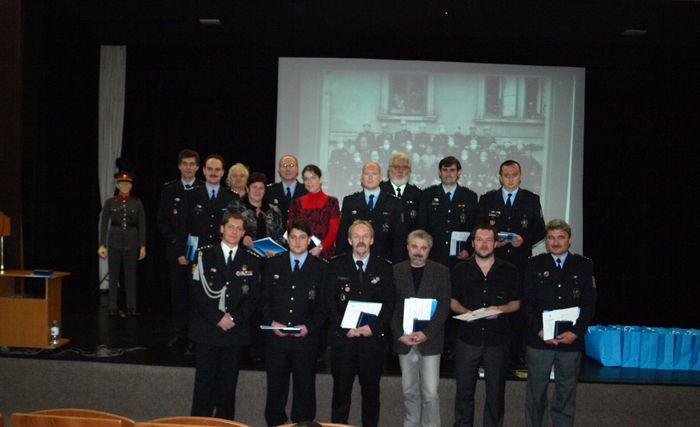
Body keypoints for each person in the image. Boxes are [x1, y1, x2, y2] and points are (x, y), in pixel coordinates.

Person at [522, 219, 597, 427]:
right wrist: (540, 331)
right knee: (536, 392)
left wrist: (576, 332)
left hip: (570, 340)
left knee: (566, 392)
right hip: (539, 340)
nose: (555, 242)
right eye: (551, 238)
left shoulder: (584, 265)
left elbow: (589, 304)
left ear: (569, 240)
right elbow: (526, 303)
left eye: (561, 237)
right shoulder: (534, 264)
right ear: (546, 241)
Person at [189, 211, 262, 420]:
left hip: (235, 333)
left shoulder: (252, 260)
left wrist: (235, 318)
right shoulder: (203, 255)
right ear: (222, 229)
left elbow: (254, 297)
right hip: (208, 330)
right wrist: (217, 318)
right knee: (203, 387)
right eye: (230, 227)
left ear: (244, 233)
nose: (234, 232)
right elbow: (196, 292)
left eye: (239, 229)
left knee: (228, 388)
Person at [450, 224, 520, 427]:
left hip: (497, 340)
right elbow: (452, 301)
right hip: (467, 339)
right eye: (479, 240)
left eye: (488, 240)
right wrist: (466, 312)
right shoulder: (460, 269)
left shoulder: (509, 270)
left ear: (496, 243)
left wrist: (500, 309)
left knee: (496, 393)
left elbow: (516, 303)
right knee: (464, 392)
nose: (483, 244)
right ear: (472, 243)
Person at [261, 219, 329, 426]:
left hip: (306, 340)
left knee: (305, 389)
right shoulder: (273, 264)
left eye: (302, 237)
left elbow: (325, 306)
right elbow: (263, 299)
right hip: (276, 339)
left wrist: (310, 326)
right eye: (293, 237)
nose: (297, 242)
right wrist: (271, 322)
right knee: (275, 389)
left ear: (309, 240)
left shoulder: (321, 268)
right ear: (287, 239)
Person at [477, 159, 545, 366]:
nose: (510, 179)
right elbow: (478, 227)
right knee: (492, 305)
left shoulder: (531, 199)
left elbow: (540, 229)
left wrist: (524, 239)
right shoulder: (488, 199)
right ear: (500, 177)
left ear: (520, 176)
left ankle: (516, 353)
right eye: (506, 175)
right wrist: (491, 241)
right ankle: (487, 352)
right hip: (493, 262)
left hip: (519, 262)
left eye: (514, 175)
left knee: (517, 306)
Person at [327, 220, 395, 427]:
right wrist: (344, 328)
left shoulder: (384, 268)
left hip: (372, 342)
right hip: (344, 341)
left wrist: (373, 328)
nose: (361, 241)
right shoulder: (335, 265)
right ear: (349, 240)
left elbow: (390, 304)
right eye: (356, 236)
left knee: (371, 395)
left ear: (372, 240)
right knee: (341, 394)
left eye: (365, 236)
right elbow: (328, 303)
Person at [390, 230, 451, 427]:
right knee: (409, 390)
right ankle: (411, 424)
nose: (418, 252)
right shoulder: (396, 271)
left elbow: (444, 307)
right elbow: (390, 306)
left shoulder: (441, 271)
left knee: (430, 393)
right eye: (414, 247)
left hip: (430, 341)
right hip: (404, 340)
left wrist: (426, 333)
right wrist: (400, 334)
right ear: (407, 247)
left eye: (423, 248)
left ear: (429, 250)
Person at [157, 149, 201, 348]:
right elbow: (162, 220)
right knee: (179, 296)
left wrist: (190, 251)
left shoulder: (202, 189)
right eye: (185, 164)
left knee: (196, 297)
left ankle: (195, 336)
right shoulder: (169, 189)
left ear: (197, 167)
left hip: (198, 253)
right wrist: (179, 248)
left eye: (192, 164)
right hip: (176, 252)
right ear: (179, 166)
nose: (188, 168)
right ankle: (180, 334)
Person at [98, 171, 146, 317]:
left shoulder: (137, 202)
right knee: (113, 275)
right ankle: (113, 305)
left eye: (128, 183)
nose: (125, 185)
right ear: (117, 185)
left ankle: (131, 306)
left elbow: (142, 224)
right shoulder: (110, 202)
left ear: (131, 186)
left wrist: (142, 245)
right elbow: (104, 224)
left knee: (130, 275)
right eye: (122, 183)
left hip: (132, 241)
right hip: (114, 241)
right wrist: (102, 244)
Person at [336, 161, 405, 262]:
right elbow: (342, 236)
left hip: (385, 260)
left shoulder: (394, 203)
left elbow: (398, 239)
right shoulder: (350, 201)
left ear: (381, 177)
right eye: (366, 174)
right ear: (361, 177)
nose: (370, 177)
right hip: (355, 260)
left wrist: (396, 264)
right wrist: (340, 261)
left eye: (374, 174)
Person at [417, 156, 478, 268]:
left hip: (460, 256)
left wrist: (468, 249)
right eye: (445, 170)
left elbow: (474, 227)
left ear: (459, 172)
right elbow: (421, 225)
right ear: (439, 173)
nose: (448, 174)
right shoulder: (428, 194)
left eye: (452, 170)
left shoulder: (470, 197)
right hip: (433, 254)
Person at [176, 155, 236, 266]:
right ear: (204, 170)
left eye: (217, 170)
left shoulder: (231, 197)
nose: (213, 173)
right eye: (210, 169)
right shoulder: (190, 195)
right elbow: (182, 225)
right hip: (195, 251)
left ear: (223, 172)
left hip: (223, 251)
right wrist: (180, 251)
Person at [287, 164, 340, 259]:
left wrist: (320, 248)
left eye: (313, 177)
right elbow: (290, 229)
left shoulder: (332, 202)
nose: (309, 182)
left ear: (320, 180)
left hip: (325, 253)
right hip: (300, 252)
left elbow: (334, 232)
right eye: (306, 179)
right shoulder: (296, 203)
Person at [227, 172, 285, 255]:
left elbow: (280, 236)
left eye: (261, 188)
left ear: (265, 190)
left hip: (269, 258)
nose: (257, 191)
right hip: (241, 256)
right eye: (254, 187)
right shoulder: (235, 208)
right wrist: (242, 239)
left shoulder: (274, 211)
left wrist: (274, 251)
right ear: (247, 189)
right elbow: (226, 232)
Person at [380, 151, 422, 235]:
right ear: (389, 170)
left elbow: (421, 225)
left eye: (404, 167)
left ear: (410, 171)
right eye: (396, 167)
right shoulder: (380, 191)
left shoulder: (418, 195)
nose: (400, 171)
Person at [264, 154, 308, 225]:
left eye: (291, 165)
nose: (287, 169)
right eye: (284, 166)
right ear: (279, 170)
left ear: (297, 169)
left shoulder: (306, 191)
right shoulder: (269, 191)